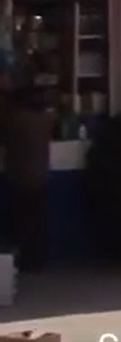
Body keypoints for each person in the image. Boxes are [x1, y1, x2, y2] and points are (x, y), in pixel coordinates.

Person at [3, 87, 55, 272]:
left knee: (17, 223)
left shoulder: (14, 119)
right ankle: (36, 262)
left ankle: (16, 262)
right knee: (37, 223)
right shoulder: (45, 120)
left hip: (19, 178)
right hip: (41, 178)